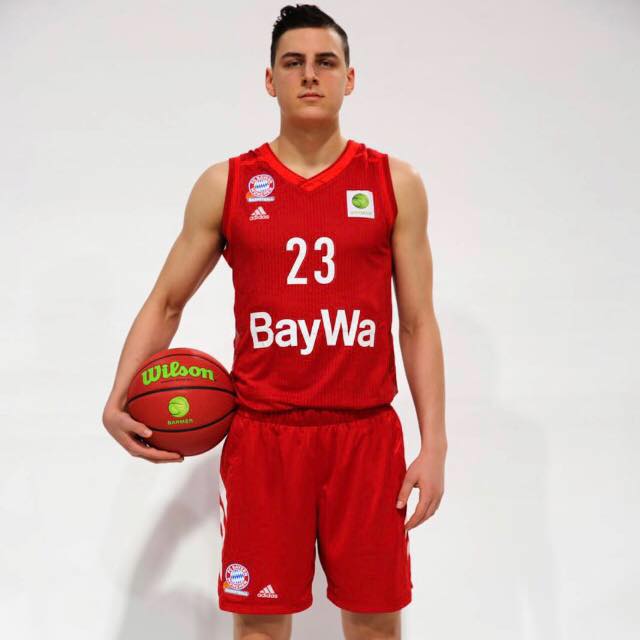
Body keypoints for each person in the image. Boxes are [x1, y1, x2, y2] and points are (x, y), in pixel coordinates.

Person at [102, 4, 447, 639]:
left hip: (366, 438)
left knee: (375, 623)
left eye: (326, 62)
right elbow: (167, 301)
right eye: (293, 63)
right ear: (270, 79)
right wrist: (118, 396)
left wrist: (436, 443)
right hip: (264, 439)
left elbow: (418, 323)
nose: (310, 75)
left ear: (350, 78)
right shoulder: (228, 184)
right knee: (259, 627)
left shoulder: (394, 182)